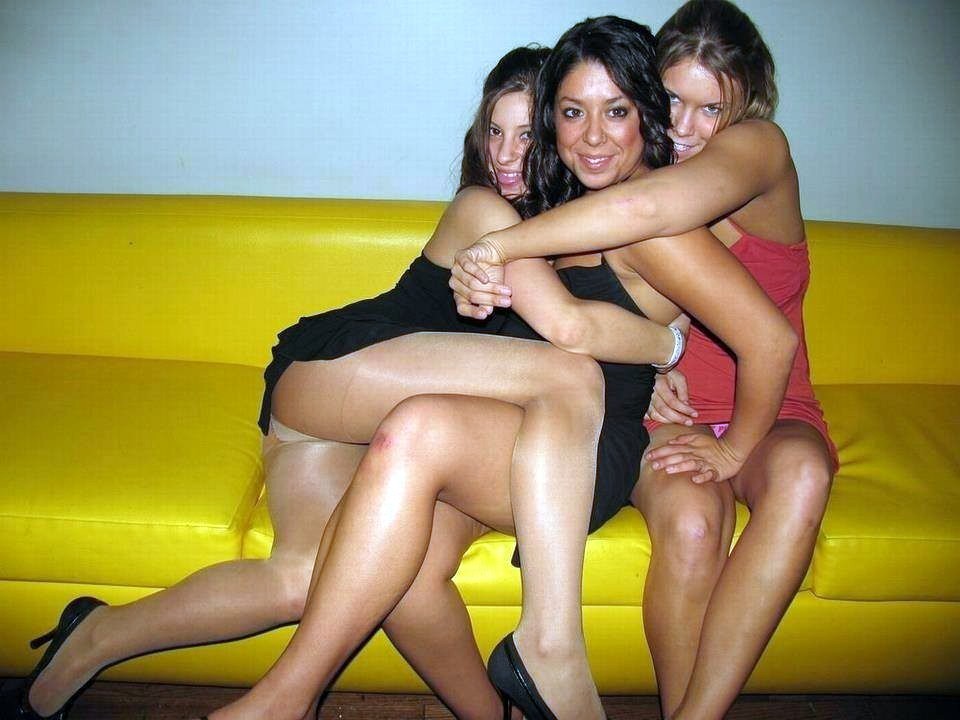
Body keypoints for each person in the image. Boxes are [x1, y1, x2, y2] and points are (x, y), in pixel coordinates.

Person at [2, 45, 676, 720]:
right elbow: (567, 330)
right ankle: (548, 647)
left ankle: (89, 639)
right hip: (342, 368)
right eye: (493, 131)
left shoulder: (553, 236)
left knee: (305, 579)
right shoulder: (485, 211)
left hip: (331, 414)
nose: (503, 154)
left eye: (524, 135)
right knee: (566, 374)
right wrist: (667, 350)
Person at [199, 15, 797, 720]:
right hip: (519, 426)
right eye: (571, 113)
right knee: (406, 564)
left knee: (422, 425)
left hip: (588, 445)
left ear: (646, 115)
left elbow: (769, 341)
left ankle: (303, 696)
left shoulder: (659, 230)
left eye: (616, 112)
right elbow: (527, 315)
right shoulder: (566, 209)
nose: (592, 136)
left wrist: (731, 445)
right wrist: (478, 279)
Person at [452, 2, 837, 718]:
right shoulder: (615, 181)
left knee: (804, 474)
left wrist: (497, 246)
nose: (686, 128)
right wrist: (656, 366)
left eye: (711, 108)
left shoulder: (756, 151)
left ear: (748, 104)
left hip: (772, 405)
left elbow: (652, 217)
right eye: (672, 102)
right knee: (692, 526)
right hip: (670, 415)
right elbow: (605, 310)